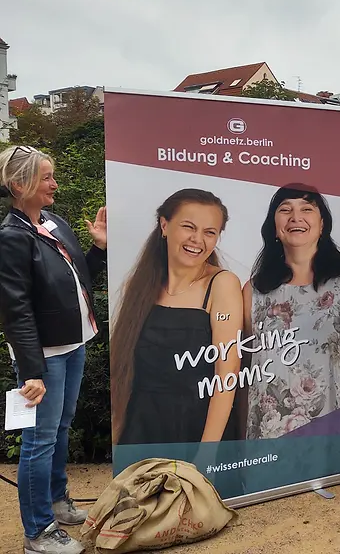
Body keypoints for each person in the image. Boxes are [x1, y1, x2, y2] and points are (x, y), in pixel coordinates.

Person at [0, 145, 107, 554]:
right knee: (39, 440)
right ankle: (38, 533)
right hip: (43, 355)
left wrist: (97, 249)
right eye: (46, 177)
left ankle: (59, 503)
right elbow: (16, 311)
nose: (54, 184)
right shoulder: (11, 238)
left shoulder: (52, 223)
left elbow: (78, 283)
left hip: (75, 343)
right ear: (19, 184)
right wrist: (31, 371)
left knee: (60, 428)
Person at [110, 189, 243, 446]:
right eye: (188, 227)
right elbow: (124, 374)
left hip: (199, 427)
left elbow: (227, 375)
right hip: (142, 428)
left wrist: (208, 453)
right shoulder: (139, 287)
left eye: (210, 232)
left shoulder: (222, 284)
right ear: (164, 225)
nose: (197, 239)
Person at [243, 184, 340, 439]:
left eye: (306, 208)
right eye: (285, 209)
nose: (296, 217)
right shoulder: (254, 291)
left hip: (329, 425)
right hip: (268, 433)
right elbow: (245, 368)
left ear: (322, 224)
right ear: (274, 227)